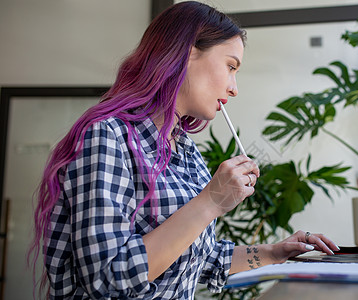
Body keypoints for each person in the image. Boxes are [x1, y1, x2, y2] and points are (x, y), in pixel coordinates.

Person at [29, 1, 339, 299]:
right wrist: (210, 203)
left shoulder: (186, 151)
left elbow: (198, 258)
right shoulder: (107, 136)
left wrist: (275, 252)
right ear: (187, 53)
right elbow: (107, 276)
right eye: (231, 66)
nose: (234, 87)